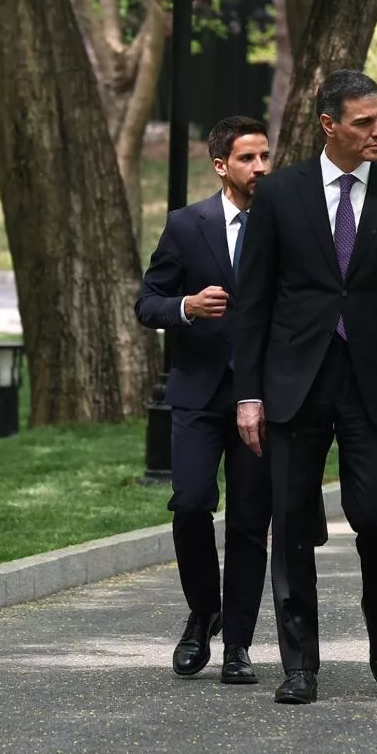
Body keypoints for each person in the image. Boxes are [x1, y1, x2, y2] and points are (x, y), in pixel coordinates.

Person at [231, 69, 377, 705]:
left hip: (374, 383)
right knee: (291, 521)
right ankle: (300, 664)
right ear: (330, 125)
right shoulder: (281, 194)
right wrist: (248, 393)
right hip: (294, 382)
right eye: (364, 122)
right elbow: (254, 302)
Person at [134, 115, 275, 685]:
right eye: (248, 158)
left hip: (260, 397)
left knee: (247, 521)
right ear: (222, 166)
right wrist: (186, 308)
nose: (260, 167)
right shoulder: (185, 225)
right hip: (195, 393)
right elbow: (148, 303)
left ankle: (237, 643)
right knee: (191, 503)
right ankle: (203, 611)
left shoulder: (285, 222)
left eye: (265, 156)